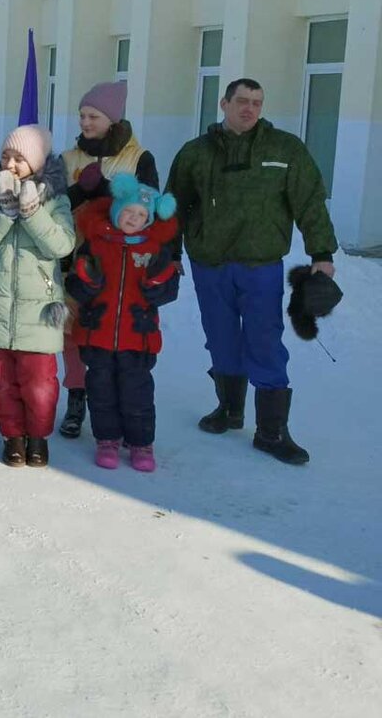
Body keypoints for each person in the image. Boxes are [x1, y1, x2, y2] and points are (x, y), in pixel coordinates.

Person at [166, 78, 338, 465]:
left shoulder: (285, 149)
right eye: (242, 101)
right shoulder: (195, 153)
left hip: (261, 265)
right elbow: (173, 206)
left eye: (257, 102)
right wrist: (169, 253)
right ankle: (229, 410)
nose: (249, 109)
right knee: (221, 338)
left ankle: (272, 431)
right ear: (224, 104)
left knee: (264, 340)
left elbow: (310, 201)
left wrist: (321, 251)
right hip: (210, 264)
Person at [0, 125, 75, 468]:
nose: (10, 165)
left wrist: (31, 212)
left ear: (37, 163)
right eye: (5, 157)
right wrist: (4, 213)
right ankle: (12, 437)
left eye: (19, 158)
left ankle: (38, 438)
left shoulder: (55, 199)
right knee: (1, 380)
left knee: (40, 382)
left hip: (38, 308)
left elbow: (61, 244)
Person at [58, 81, 159, 438]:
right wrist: (77, 190)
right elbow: (55, 206)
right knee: (71, 333)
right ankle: (76, 398)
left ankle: (115, 405)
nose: (85, 122)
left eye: (93, 116)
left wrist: (109, 192)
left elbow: (153, 212)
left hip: (121, 268)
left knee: (107, 335)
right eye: (82, 115)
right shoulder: (69, 158)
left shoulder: (138, 158)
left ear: (112, 119)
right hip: (74, 259)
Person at [67, 174, 179, 471]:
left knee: (137, 393)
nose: (133, 218)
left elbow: (169, 289)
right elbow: (76, 283)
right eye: (128, 212)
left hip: (137, 336)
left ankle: (141, 443)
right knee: (101, 390)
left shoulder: (154, 250)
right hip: (98, 332)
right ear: (117, 212)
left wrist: (158, 286)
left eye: (141, 215)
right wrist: (87, 285)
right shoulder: (97, 244)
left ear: (149, 219)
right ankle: (107, 439)